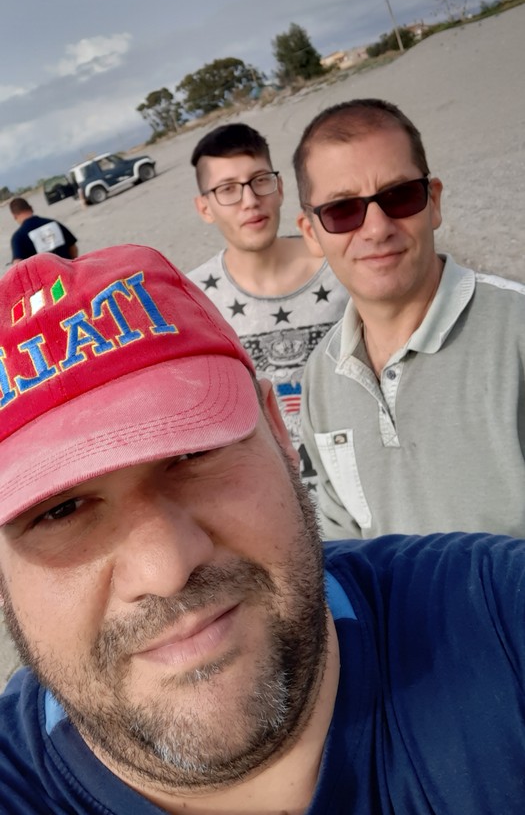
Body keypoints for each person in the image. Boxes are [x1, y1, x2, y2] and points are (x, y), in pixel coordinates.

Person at [1, 245, 525, 814]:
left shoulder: (496, 616)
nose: (166, 568)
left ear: (278, 431)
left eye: (193, 453)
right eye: (60, 511)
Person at [293, 97, 525, 540]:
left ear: (433, 202)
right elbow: (344, 539)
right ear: (312, 232)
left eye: (399, 196)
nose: (377, 228)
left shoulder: (516, 331)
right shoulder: (322, 377)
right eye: (343, 210)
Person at [188, 123, 347, 491]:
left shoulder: (343, 267)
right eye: (228, 189)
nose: (249, 200)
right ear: (205, 208)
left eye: (260, 180)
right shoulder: (193, 299)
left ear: (280, 187)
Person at [9, 197, 78, 262]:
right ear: (31, 208)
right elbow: (73, 248)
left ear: (14, 216)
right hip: (66, 268)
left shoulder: (18, 237)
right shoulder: (53, 223)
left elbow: (18, 263)